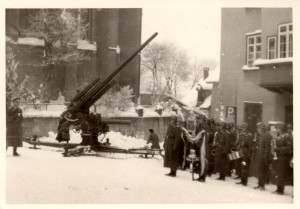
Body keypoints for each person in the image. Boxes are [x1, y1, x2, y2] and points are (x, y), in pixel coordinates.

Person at [270, 123, 293, 195]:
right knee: (277, 173)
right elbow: (274, 145)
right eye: (277, 128)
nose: (277, 130)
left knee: (281, 174)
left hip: (283, 158)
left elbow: (289, 149)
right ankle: (278, 188)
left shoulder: (287, 136)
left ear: (282, 129)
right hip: (277, 157)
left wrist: (278, 149)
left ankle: (281, 190)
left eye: (278, 128)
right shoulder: (277, 136)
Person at [253, 122, 271, 191]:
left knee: (263, 171)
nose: (257, 129)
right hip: (258, 155)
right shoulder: (260, 135)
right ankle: (259, 184)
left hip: (263, 156)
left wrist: (265, 157)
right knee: (259, 171)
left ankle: (262, 186)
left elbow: (267, 148)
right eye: (257, 128)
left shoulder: (266, 135)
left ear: (262, 128)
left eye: (258, 128)